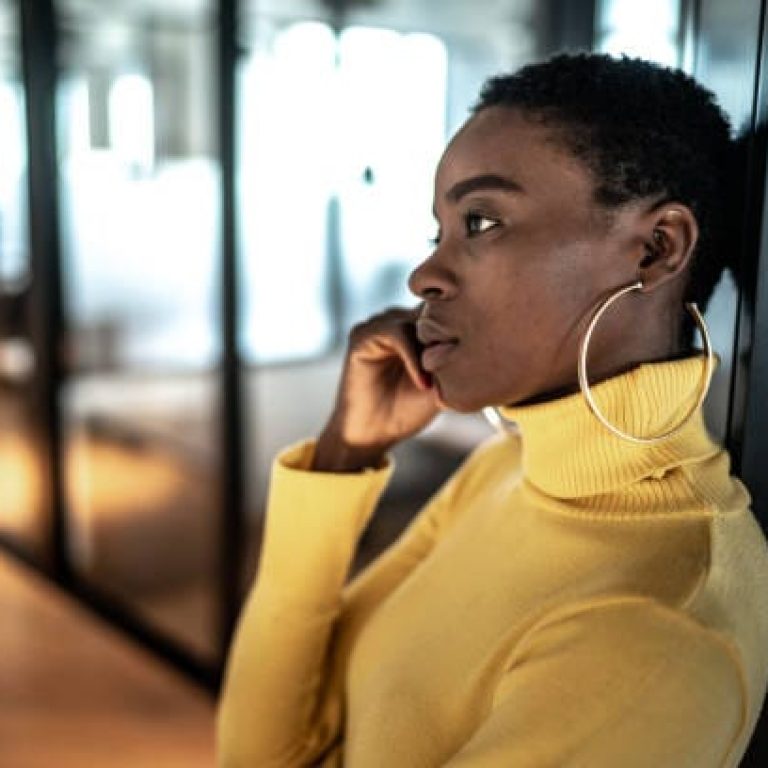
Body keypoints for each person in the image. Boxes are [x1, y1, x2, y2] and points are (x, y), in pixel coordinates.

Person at [217, 53, 768, 767]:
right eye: (437, 232)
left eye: (480, 222)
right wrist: (343, 454)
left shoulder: (657, 627)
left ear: (656, 248)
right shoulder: (505, 470)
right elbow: (266, 750)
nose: (424, 276)